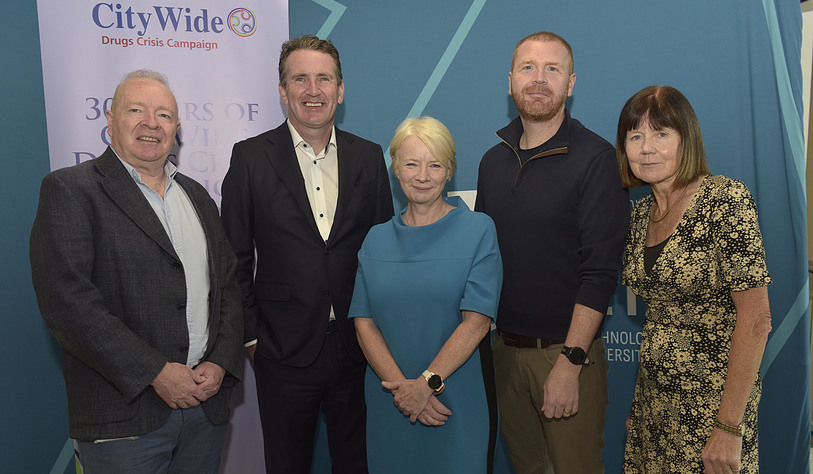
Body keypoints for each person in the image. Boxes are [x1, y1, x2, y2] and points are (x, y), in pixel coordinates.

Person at [29, 69, 244, 473]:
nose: (151, 123)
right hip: (123, 418)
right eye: (135, 110)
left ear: (176, 130)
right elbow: (68, 303)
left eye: (164, 115)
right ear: (110, 121)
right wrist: (155, 373)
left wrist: (220, 361)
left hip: (205, 410)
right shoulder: (71, 190)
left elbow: (227, 289)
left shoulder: (198, 197)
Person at [220, 35, 393, 474]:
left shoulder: (369, 156)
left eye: (324, 79)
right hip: (281, 350)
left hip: (358, 346)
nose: (313, 90)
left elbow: (384, 254)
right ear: (283, 91)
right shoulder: (250, 158)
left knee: (358, 464)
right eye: (300, 79)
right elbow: (232, 260)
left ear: (341, 90)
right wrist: (253, 339)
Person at [475, 31, 629, 473]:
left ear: (571, 83)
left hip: (565, 356)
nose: (539, 79)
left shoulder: (597, 159)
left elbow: (600, 274)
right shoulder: (492, 161)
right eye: (528, 68)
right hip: (504, 354)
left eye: (552, 69)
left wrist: (571, 362)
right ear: (510, 81)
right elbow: (481, 263)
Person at [616, 85, 772, 474]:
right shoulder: (640, 214)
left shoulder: (725, 200)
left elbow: (756, 320)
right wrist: (642, 407)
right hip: (655, 408)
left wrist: (728, 427)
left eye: (661, 134)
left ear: (687, 140)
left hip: (713, 410)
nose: (646, 148)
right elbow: (659, 321)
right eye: (635, 136)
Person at [348, 116, 502, 473]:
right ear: (395, 168)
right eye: (411, 164)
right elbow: (364, 324)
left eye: (435, 165)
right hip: (391, 399)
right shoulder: (375, 239)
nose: (422, 176)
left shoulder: (478, 229)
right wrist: (405, 391)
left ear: (449, 170)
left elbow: (477, 323)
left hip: (455, 400)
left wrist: (426, 385)